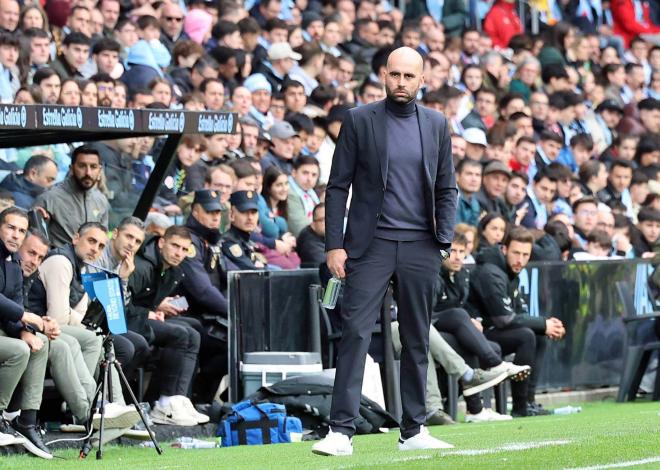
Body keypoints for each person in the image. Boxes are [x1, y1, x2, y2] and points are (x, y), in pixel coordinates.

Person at [313, 47, 458, 457]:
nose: (401, 82)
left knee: (415, 338)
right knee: (355, 333)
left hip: (421, 246)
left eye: (409, 76)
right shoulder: (360, 120)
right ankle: (340, 430)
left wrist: (442, 240)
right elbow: (337, 185)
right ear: (384, 76)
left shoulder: (436, 123)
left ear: (421, 79)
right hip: (369, 245)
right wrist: (334, 244)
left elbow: (447, 187)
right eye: (394, 74)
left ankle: (413, 429)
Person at [468, 227, 566, 417]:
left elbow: (519, 311)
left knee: (539, 335)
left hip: (492, 329)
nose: (520, 260)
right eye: (515, 253)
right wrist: (544, 323)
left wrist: (544, 326)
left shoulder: (509, 271)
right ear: (504, 250)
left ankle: (529, 401)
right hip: (476, 333)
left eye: (525, 254)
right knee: (526, 335)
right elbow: (504, 319)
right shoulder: (491, 273)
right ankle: (520, 406)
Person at [126, 225, 207, 426]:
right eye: (175, 246)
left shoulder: (173, 270)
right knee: (180, 335)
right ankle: (164, 403)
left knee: (194, 331)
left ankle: (178, 398)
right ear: (162, 243)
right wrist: (149, 312)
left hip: (144, 317)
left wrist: (156, 308)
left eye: (184, 249)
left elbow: (148, 298)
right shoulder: (142, 266)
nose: (178, 253)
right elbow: (122, 305)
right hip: (130, 321)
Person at [0, 208, 51, 458]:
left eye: (21, 230)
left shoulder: (13, 265)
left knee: (37, 342)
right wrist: (24, 318)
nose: (15, 235)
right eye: (10, 227)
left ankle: (26, 421)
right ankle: (0, 415)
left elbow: (15, 306)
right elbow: (15, 308)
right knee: (19, 350)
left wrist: (24, 330)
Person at [180, 190, 231, 399]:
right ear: (195, 211)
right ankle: (201, 398)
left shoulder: (209, 240)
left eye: (218, 212)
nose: (215, 217)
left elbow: (230, 275)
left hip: (211, 315)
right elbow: (202, 291)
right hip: (190, 313)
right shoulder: (188, 241)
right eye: (210, 212)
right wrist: (235, 311)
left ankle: (205, 398)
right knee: (232, 346)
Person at [33, 145, 110, 248]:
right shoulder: (49, 198)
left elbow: (103, 240)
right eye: (82, 166)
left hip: (89, 262)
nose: (88, 172)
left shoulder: (101, 200)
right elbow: (34, 241)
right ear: (71, 169)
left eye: (93, 167)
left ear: (100, 170)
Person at [221, 190, 265, 270]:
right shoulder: (229, 242)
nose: (250, 218)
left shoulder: (246, 241)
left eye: (253, 212)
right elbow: (252, 270)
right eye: (244, 212)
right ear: (231, 215)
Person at [286, 156, 321, 236]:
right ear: (294, 173)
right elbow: (300, 228)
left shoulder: (310, 192)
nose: (309, 178)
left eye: (314, 175)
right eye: (305, 173)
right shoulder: (289, 192)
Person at [297, 202, 326, 268]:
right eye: (323, 219)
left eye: (330, 218)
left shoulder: (327, 236)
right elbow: (329, 263)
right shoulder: (308, 241)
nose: (328, 222)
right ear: (313, 224)